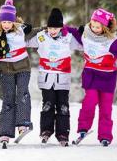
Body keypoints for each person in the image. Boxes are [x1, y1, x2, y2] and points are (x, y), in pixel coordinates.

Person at [69, 8, 117, 146]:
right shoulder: (85, 35)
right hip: (91, 75)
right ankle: (83, 128)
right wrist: (60, 27)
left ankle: (105, 136)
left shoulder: (112, 41)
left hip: (107, 78)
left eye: (98, 27)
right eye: (92, 25)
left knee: (106, 108)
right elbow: (70, 32)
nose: (94, 29)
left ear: (105, 27)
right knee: (89, 102)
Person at [26, 8, 83, 146]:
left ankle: (63, 133)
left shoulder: (68, 37)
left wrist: (82, 35)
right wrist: (25, 31)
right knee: (47, 105)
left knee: (63, 106)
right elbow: (25, 42)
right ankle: (46, 130)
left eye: (55, 28)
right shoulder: (42, 36)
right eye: (50, 27)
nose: (52, 30)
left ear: (61, 27)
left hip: (63, 78)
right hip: (47, 78)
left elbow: (83, 46)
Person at [0, 0, 36, 147]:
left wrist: (51, 28)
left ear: (14, 22)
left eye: (9, 22)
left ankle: (22, 123)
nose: (6, 25)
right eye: (4, 22)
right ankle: (5, 132)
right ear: (0, 22)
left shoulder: (21, 31)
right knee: (8, 99)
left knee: (22, 93)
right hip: (5, 69)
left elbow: (38, 31)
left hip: (22, 67)